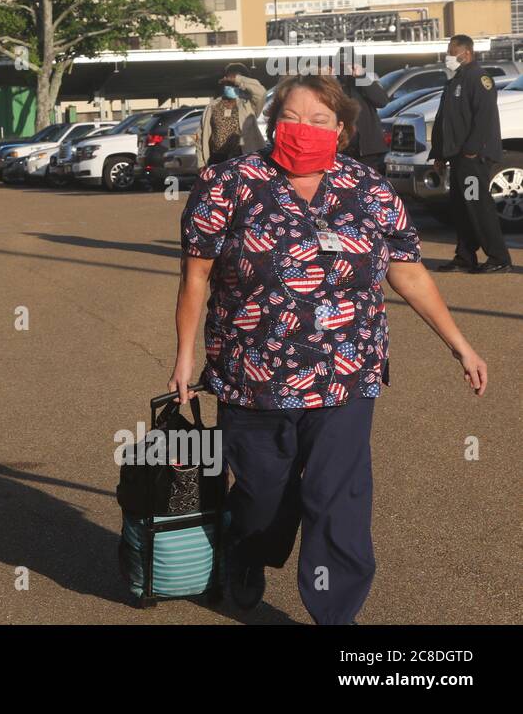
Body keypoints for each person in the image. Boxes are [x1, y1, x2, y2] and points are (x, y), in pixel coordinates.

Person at [172, 72, 487, 625]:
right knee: (262, 496)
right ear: (272, 124)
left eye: (319, 120)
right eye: (291, 118)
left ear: (341, 129)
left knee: (335, 495)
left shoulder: (369, 190)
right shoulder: (229, 183)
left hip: (347, 372)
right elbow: (196, 274)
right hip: (254, 374)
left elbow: (407, 272)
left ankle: (336, 615)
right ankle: (247, 551)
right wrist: (184, 355)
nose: (304, 129)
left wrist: (459, 344)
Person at [431, 34, 512, 274]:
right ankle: (465, 256)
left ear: (465, 53)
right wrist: (439, 153)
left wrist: (471, 150)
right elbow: (444, 120)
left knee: (477, 205)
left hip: (472, 159)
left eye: (451, 52)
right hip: (457, 158)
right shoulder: (456, 80)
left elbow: (484, 118)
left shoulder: (479, 79)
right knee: (461, 207)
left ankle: (499, 257)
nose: (448, 57)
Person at [196, 63, 266, 168]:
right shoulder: (212, 106)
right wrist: (201, 164)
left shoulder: (248, 104)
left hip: (244, 162)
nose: (231, 85)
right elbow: (200, 137)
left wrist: (237, 79)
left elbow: (261, 92)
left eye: (234, 82)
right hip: (217, 162)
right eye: (228, 81)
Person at [336, 59, 390, 173]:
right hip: (344, 150)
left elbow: (382, 101)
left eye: (349, 63)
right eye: (342, 64)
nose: (347, 68)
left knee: (372, 187)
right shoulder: (335, 86)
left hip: (369, 152)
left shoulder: (364, 81)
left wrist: (362, 76)